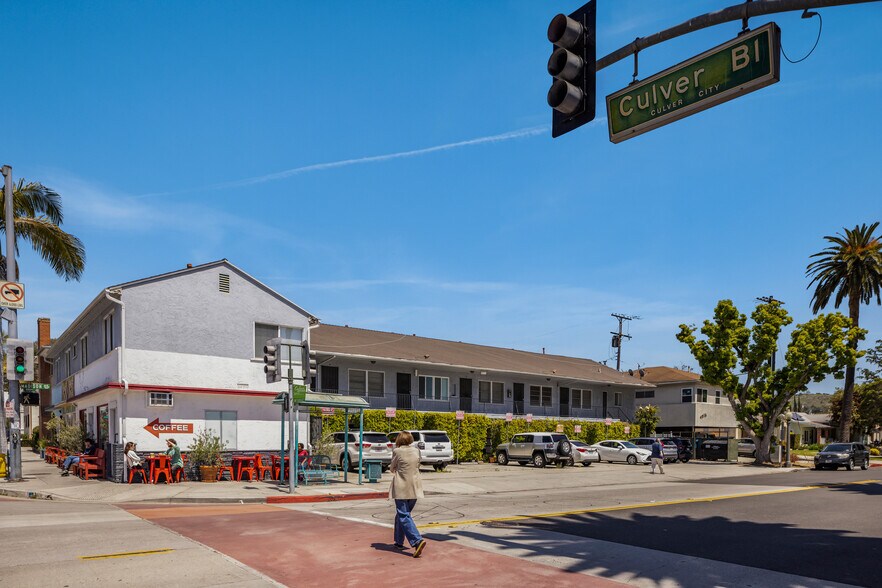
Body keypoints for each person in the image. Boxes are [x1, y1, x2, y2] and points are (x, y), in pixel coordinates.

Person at [389, 431, 427, 558]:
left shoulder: (397, 451)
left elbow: (392, 468)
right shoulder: (416, 451)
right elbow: (418, 464)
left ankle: (417, 540)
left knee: (403, 515)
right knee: (402, 515)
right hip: (415, 487)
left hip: (401, 488)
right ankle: (399, 541)